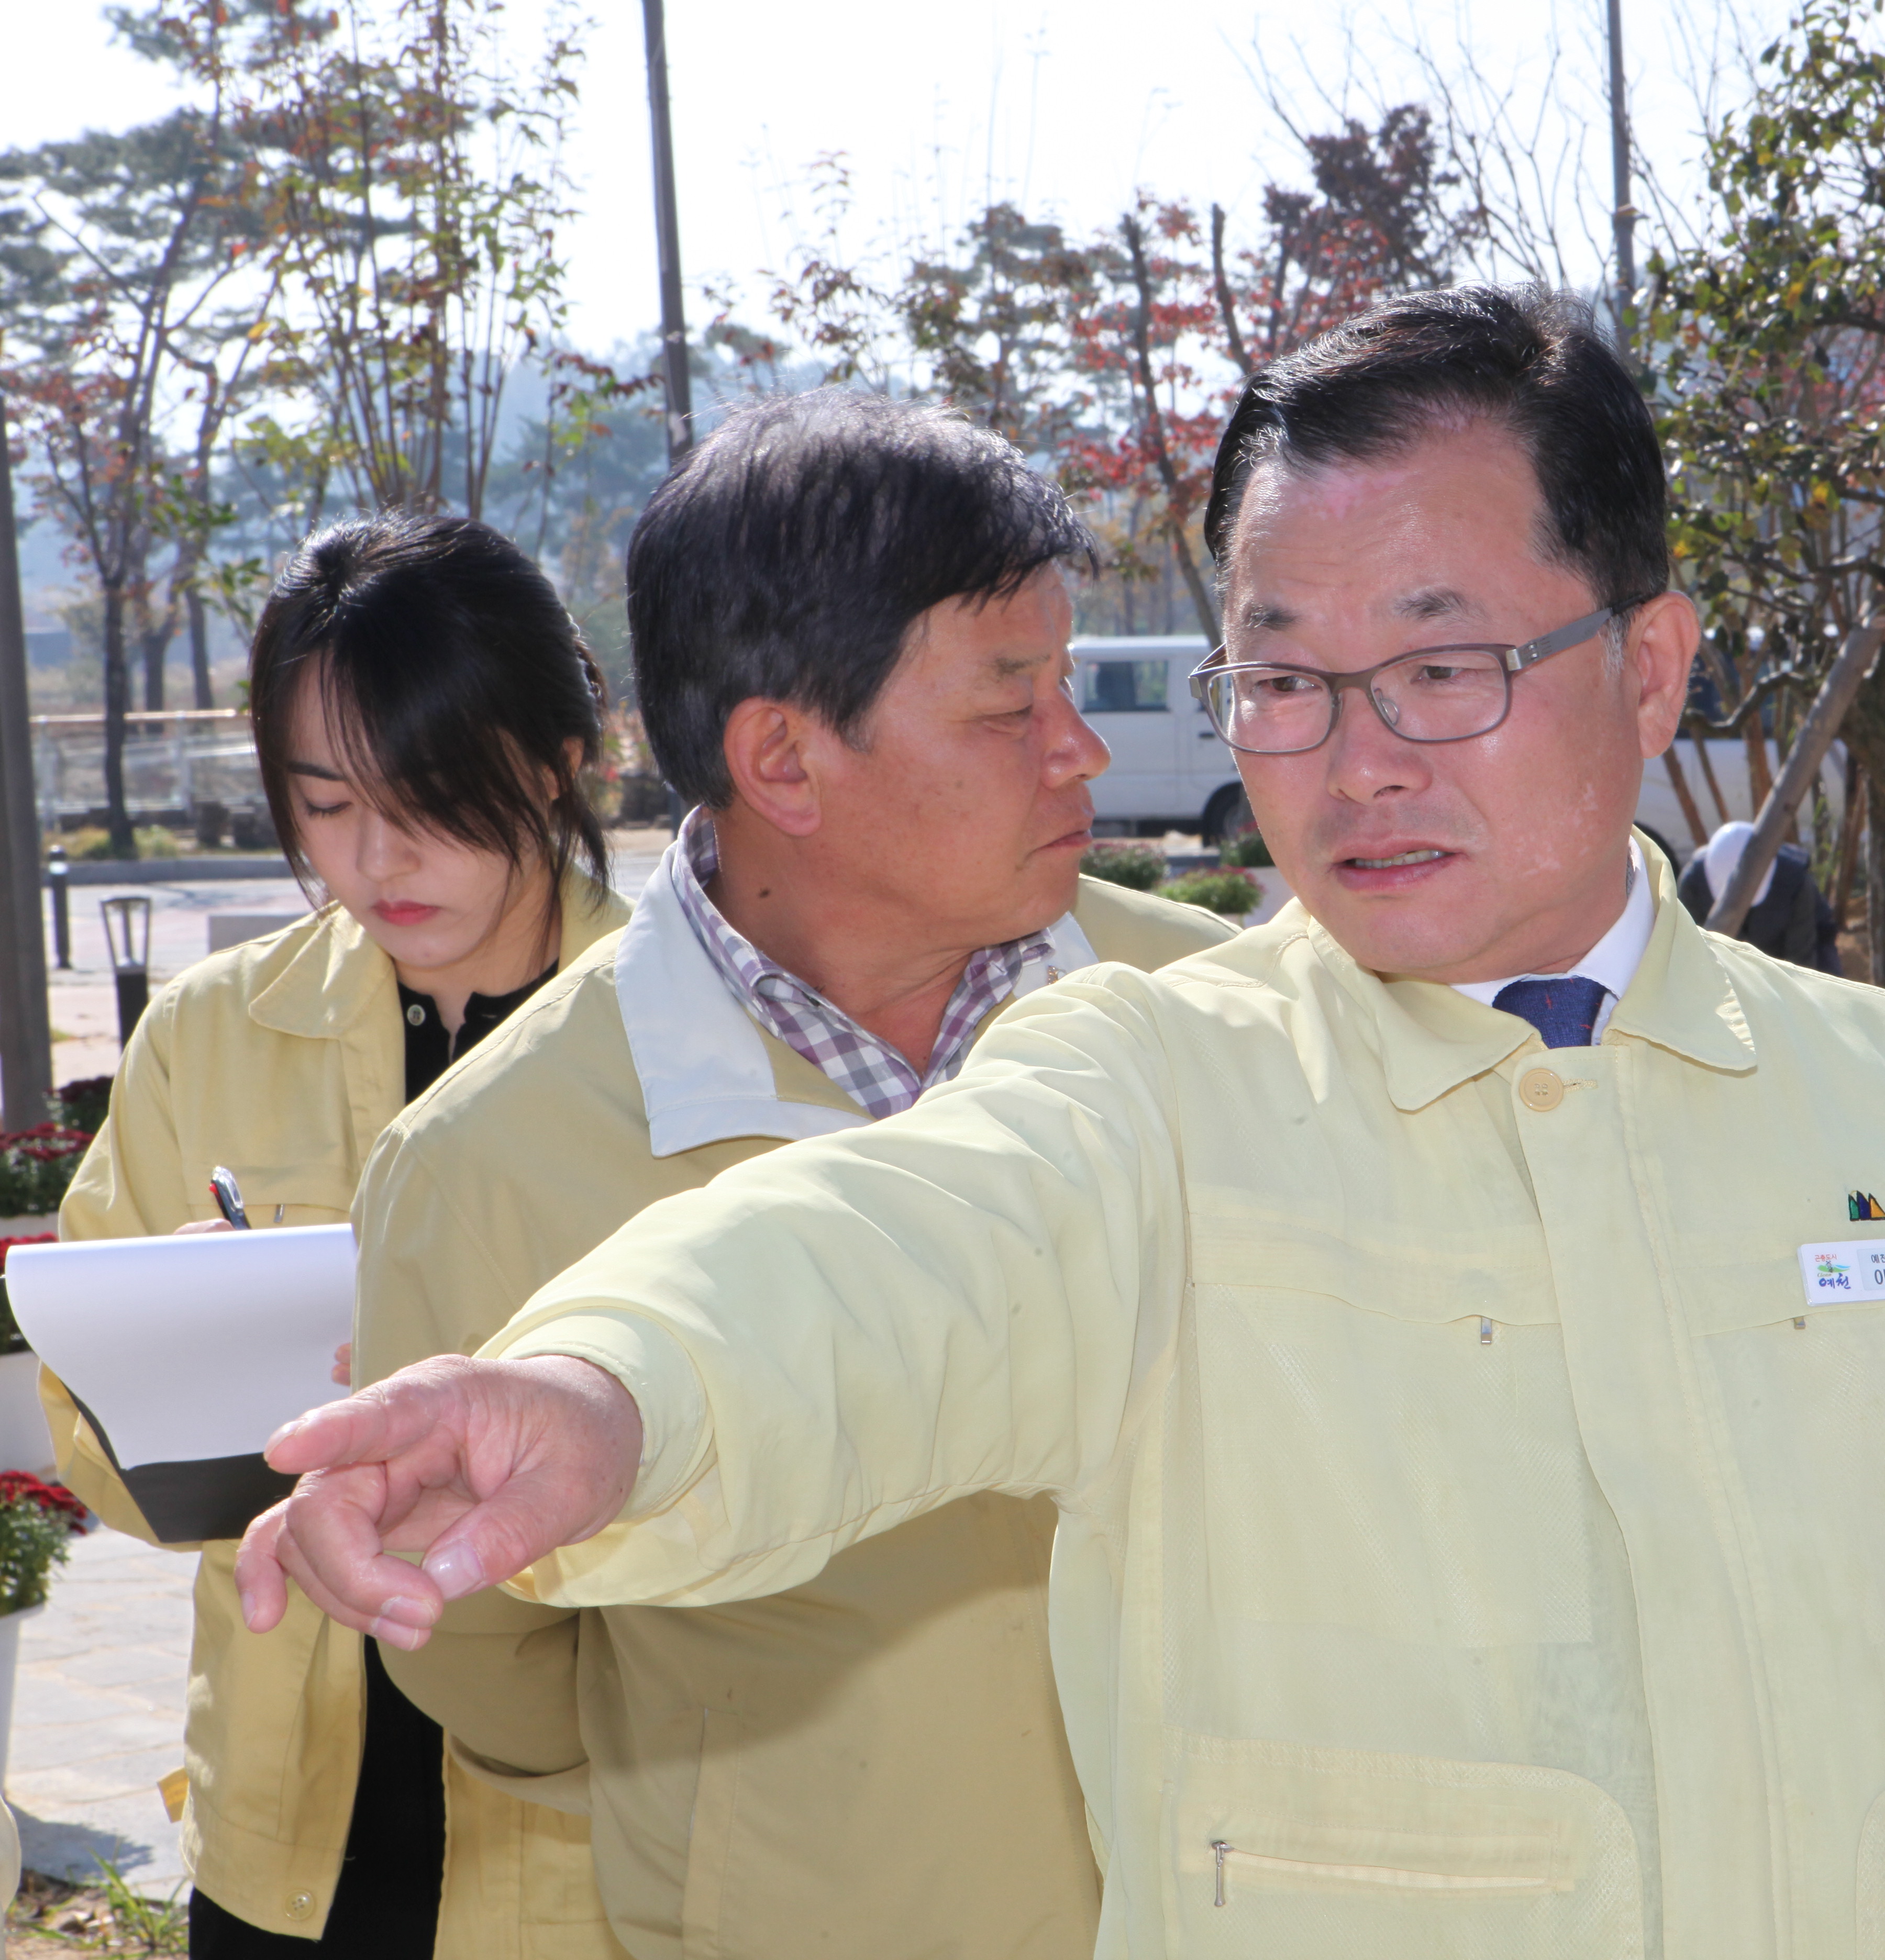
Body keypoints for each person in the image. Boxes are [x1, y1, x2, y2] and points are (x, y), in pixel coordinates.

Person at [245, 287, 1885, 1957]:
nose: (1352, 759)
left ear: (1649, 665)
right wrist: (610, 1396)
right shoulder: (1148, 1084)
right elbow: (880, 1260)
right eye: (1281, 680)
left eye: (1442, 666)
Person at [348, 391, 1233, 1960]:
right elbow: (499, 1670)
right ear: (786, 758)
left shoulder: (1234, 1019)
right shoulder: (490, 1161)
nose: (1079, 747)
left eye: (1071, 683)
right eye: (1008, 700)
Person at [46, 513, 628, 1957]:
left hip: (594, 1836)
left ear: (564, 755)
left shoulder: (678, 1033)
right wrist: (178, 1362)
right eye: (324, 804)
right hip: (288, 1832)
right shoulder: (213, 1030)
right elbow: (85, 1419)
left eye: (434, 792)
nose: (379, 858)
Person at [1674, 817, 1839, 971]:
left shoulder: (1795, 882)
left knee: (1825, 983)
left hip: (1802, 943)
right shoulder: (1693, 882)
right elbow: (1687, 948)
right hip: (1724, 956)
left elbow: (1800, 958)